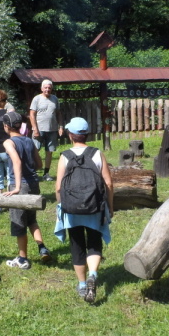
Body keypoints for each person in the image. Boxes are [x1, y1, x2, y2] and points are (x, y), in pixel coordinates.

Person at [54, 117, 113, 303]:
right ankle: (92, 275)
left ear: (71, 135)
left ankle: (81, 284)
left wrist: (61, 207)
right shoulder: (97, 154)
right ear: (86, 134)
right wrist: (110, 206)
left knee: (77, 244)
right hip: (94, 206)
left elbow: (58, 187)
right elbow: (108, 183)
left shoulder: (65, 156)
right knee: (94, 241)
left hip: (72, 209)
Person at [1, 111, 53, 269]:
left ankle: (22, 259)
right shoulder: (29, 141)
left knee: (19, 223)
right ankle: (42, 247)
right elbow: (39, 164)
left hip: (20, 186)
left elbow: (16, 162)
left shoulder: (9, 143)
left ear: (6, 126)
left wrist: (16, 187)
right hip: (33, 184)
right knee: (31, 220)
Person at [29, 79, 63, 181]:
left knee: (49, 151)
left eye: (49, 88)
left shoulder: (55, 99)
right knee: (35, 150)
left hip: (52, 129)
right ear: (41, 88)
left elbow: (58, 113)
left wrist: (60, 126)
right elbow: (32, 114)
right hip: (39, 129)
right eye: (45, 88)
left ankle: (46, 173)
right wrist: (35, 129)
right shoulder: (37, 99)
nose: (47, 90)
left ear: (51, 89)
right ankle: (33, 172)